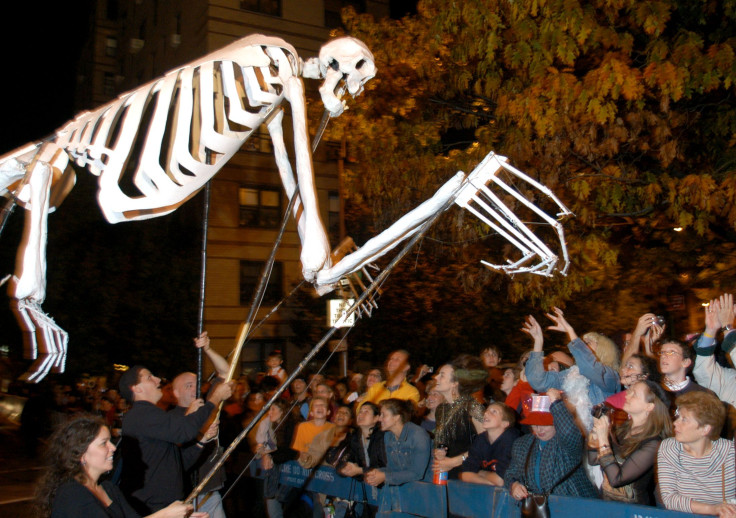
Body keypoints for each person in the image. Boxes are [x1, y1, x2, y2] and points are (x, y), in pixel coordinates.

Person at [35, 414, 207, 518]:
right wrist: (164, 514)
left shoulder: (109, 490)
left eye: (111, 441)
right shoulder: (72, 493)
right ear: (81, 454)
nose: (113, 448)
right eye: (104, 443)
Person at [118, 366, 232, 514]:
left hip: (166, 504)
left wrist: (202, 440)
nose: (158, 380)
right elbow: (183, 432)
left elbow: (178, 463)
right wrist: (215, 398)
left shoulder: (150, 414)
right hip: (154, 506)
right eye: (149, 377)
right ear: (136, 388)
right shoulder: (142, 415)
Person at [524, 309, 620, 429]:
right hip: (575, 440)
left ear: (603, 350)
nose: (582, 346)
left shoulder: (611, 376)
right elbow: (539, 382)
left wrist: (570, 331)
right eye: (582, 343)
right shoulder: (570, 374)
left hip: (599, 439)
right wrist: (538, 342)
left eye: (587, 343)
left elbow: (590, 368)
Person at [587, 380, 672, 504]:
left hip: (631, 510)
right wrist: (596, 431)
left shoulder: (653, 444)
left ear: (649, 406)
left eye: (634, 394)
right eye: (629, 392)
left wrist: (603, 438)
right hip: (606, 506)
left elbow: (617, 479)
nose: (627, 396)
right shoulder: (622, 430)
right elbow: (593, 459)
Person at [505, 389, 598, 501]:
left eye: (545, 423)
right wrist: (513, 485)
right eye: (535, 424)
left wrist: (557, 404)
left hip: (575, 506)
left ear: (557, 422)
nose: (539, 429)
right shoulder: (522, 444)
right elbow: (511, 473)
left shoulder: (567, 443)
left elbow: (568, 432)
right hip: (540, 509)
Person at [658, 391, 736, 516]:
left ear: (705, 429)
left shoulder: (730, 453)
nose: (675, 423)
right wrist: (714, 509)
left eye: (684, 419)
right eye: (678, 417)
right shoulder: (669, 448)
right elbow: (670, 499)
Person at [364, 398, 431, 515]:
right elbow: (392, 469)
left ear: (396, 417)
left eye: (383, 415)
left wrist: (384, 476)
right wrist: (376, 473)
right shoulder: (388, 436)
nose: (380, 419)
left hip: (424, 495)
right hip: (404, 492)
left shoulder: (418, 435)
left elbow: (417, 473)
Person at [432, 354, 486, 480]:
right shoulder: (441, 409)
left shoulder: (473, 407)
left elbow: (486, 444)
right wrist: (440, 451)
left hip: (469, 474)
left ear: (455, 383)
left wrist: (454, 461)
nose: (436, 377)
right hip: (446, 472)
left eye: (442, 375)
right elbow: (444, 442)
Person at [459, 402, 520, 486]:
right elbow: (465, 475)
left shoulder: (511, 439)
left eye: (494, 412)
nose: (486, 413)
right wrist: (490, 483)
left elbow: (501, 480)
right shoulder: (480, 439)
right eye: (486, 411)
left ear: (505, 423)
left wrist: (481, 473)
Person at [259, 399, 302, 518]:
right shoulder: (269, 426)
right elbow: (260, 445)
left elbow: (291, 451)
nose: (269, 413)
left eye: (273, 409)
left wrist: (271, 456)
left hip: (291, 474)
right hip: (275, 474)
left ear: (282, 411)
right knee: (272, 506)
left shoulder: (292, 426)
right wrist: (265, 454)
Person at [339, 402, 387, 479]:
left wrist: (360, 470)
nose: (361, 415)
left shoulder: (383, 437)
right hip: (365, 485)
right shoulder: (354, 436)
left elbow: (384, 466)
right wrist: (345, 467)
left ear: (376, 418)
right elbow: (344, 458)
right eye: (360, 412)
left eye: (366, 412)